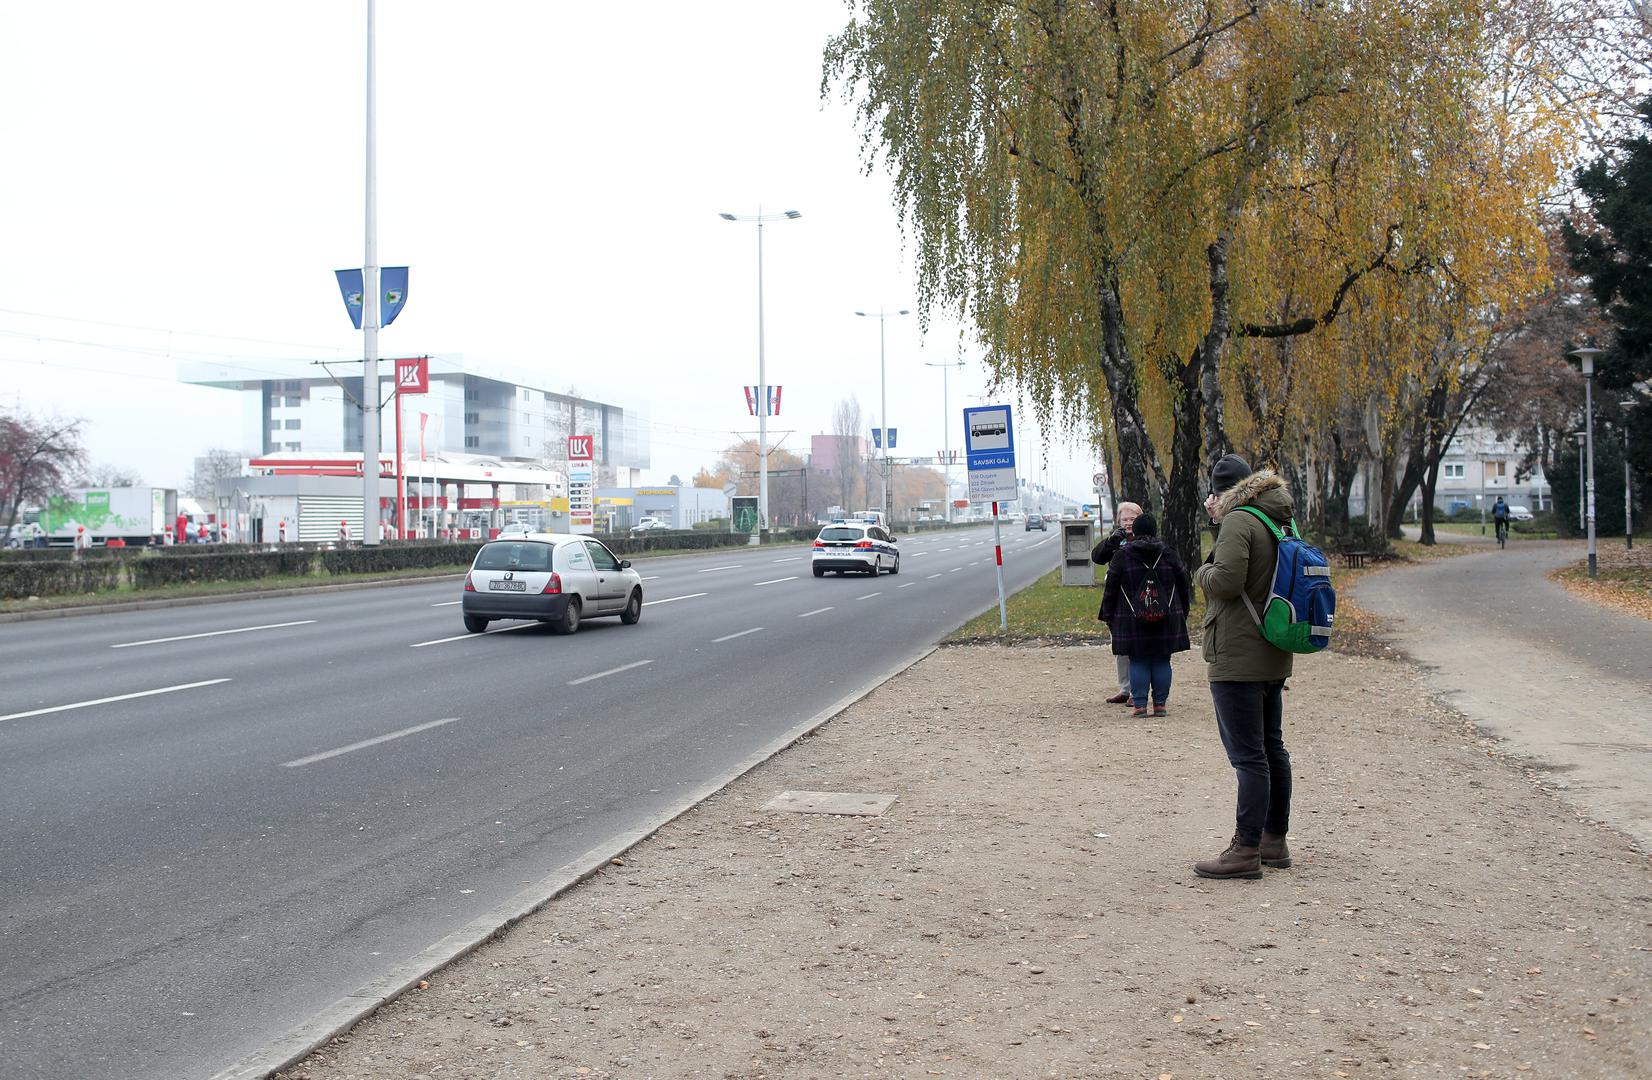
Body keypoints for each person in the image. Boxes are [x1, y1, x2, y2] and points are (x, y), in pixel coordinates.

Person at [1191, 453, 1297, 881]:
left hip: (1238, 653)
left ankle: (1245, 850)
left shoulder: (1239, 521)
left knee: (1249, 757)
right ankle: (1274, 839)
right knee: (1272, 748)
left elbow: (1228, 581)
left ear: (1221, 492)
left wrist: (1202, 570)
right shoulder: (1279, 519)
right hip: (1273, 649)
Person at [1099, 513, 1192, 718]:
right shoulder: (1169, 553)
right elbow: (1184, 586)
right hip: (1166, 616)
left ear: (1136, 531)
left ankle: (1140, 705)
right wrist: (1183, 611)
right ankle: (1160, 705)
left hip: (1131, 618)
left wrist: (1108, 616)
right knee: (1161, 660)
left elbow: (1111, 589)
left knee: (1138, 660)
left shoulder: (1122, 555)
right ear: (1154, 530)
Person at [1092, 501, 1144, 704]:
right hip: (1117, 601)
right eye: (1125, 519)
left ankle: (1137, 691)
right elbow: (1097, 557)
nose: (1128, 523)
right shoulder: (1116, 540)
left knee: (1138, 648)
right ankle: (1125, 688)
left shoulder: (1146, 539)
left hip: (1140, 598)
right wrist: (1111, 542)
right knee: (1120, 646)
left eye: (1132, 519)